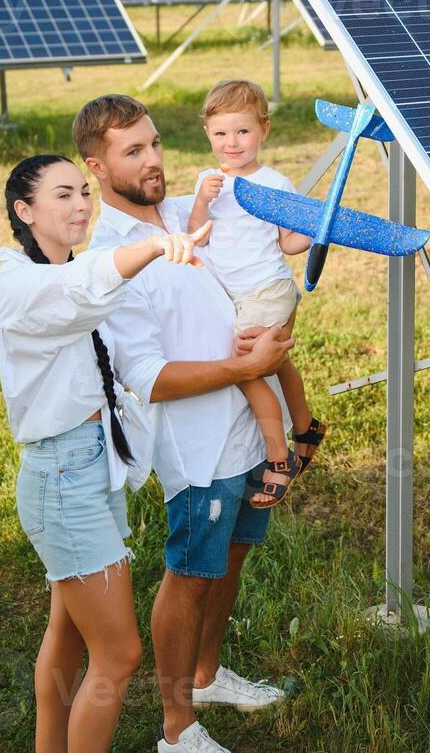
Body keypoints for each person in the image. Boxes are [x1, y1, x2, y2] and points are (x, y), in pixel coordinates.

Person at [76, 94, 294, 753]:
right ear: (95, 165)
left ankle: (205, 675)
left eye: (153, 144)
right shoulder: (112, 260)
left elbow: (270, 252)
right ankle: (177, 729)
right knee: (191, 571)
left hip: (249, 426)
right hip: (197, 446)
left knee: (231, 556)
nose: (152, 161)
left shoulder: (184, 212)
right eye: (132, 151)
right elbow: (152, 379)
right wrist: (244, 369)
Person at [0, 154, 209, 753]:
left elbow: (95, 287)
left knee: (66, 631)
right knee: (119, 653)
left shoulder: (65, 268)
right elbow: (84, 289)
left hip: (90, 469)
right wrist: (160, 245)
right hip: (62, 480)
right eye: (63, 196)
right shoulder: (21, 285)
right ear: (24, 210)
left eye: (84, 193)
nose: (82, 205)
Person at [187, 79, 326, 509]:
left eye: (242, 131)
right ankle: (307, 429)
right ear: (209, 136)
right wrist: (202, 201)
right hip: (239, 296)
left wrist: (317, 229)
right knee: (278, 363)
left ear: (263, 130)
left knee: (248, 369)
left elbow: (288, 243)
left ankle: (279, 458)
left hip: (266, 289)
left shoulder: (274, 182)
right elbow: (197, 237)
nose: (232, 143)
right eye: (221, 134)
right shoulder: (208, 180)